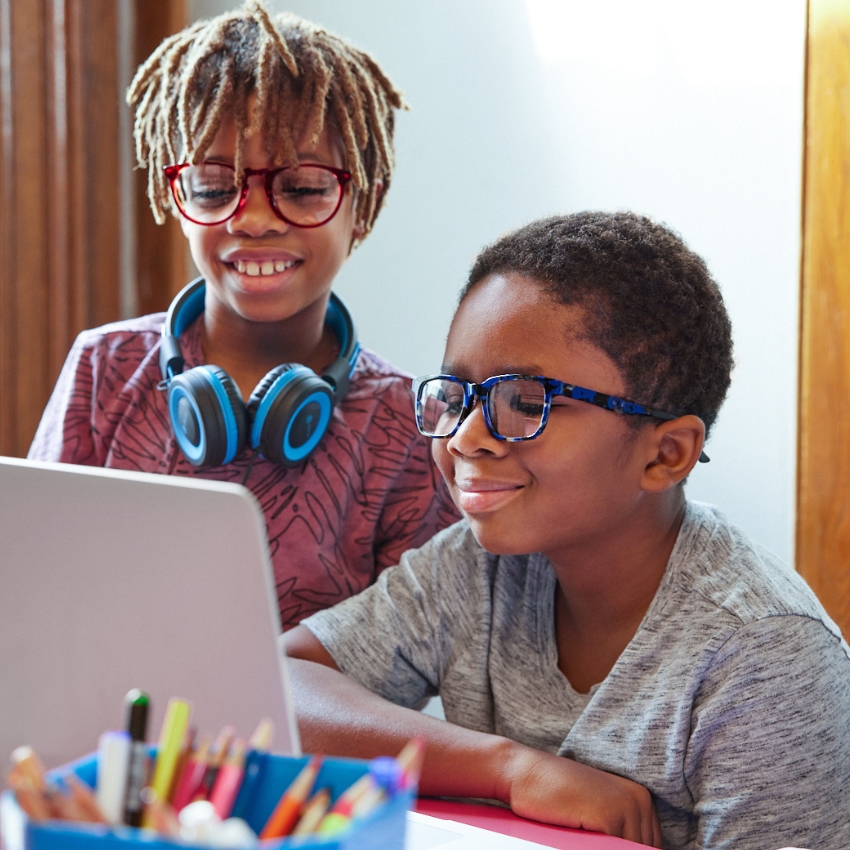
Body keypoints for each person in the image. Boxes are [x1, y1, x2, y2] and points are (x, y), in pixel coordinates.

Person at [285, 212, 850, 849]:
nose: (467, 436)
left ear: (666, 454)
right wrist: (508, 767)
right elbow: (277, 684)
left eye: (526, 404)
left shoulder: (765, 655)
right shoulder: (475, 567)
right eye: (459, 394)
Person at [27, 1, 458, 628]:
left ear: (360, 204)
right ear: (177, 201)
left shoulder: (401, 427)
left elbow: (406, 665)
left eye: (304, 188)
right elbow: (30, 587)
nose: (253, 218)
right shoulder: (103, 371)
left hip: (303, 731)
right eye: (213, 187)